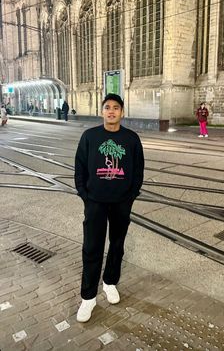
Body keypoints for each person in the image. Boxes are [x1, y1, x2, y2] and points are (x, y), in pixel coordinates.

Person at [74, 93, 144, 323]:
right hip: (95, 202)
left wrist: (130, 195)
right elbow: (80, 168)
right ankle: (88, 297)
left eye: (116, 107)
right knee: (91, 247)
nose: (111, 111)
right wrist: (85, 195)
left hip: (121, 202)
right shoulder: (90, 136)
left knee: (117, 245)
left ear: (122, 112)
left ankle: (110, 282)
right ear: (101, 111)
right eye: (107, 107)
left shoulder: (131, 139)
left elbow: (138, 170)